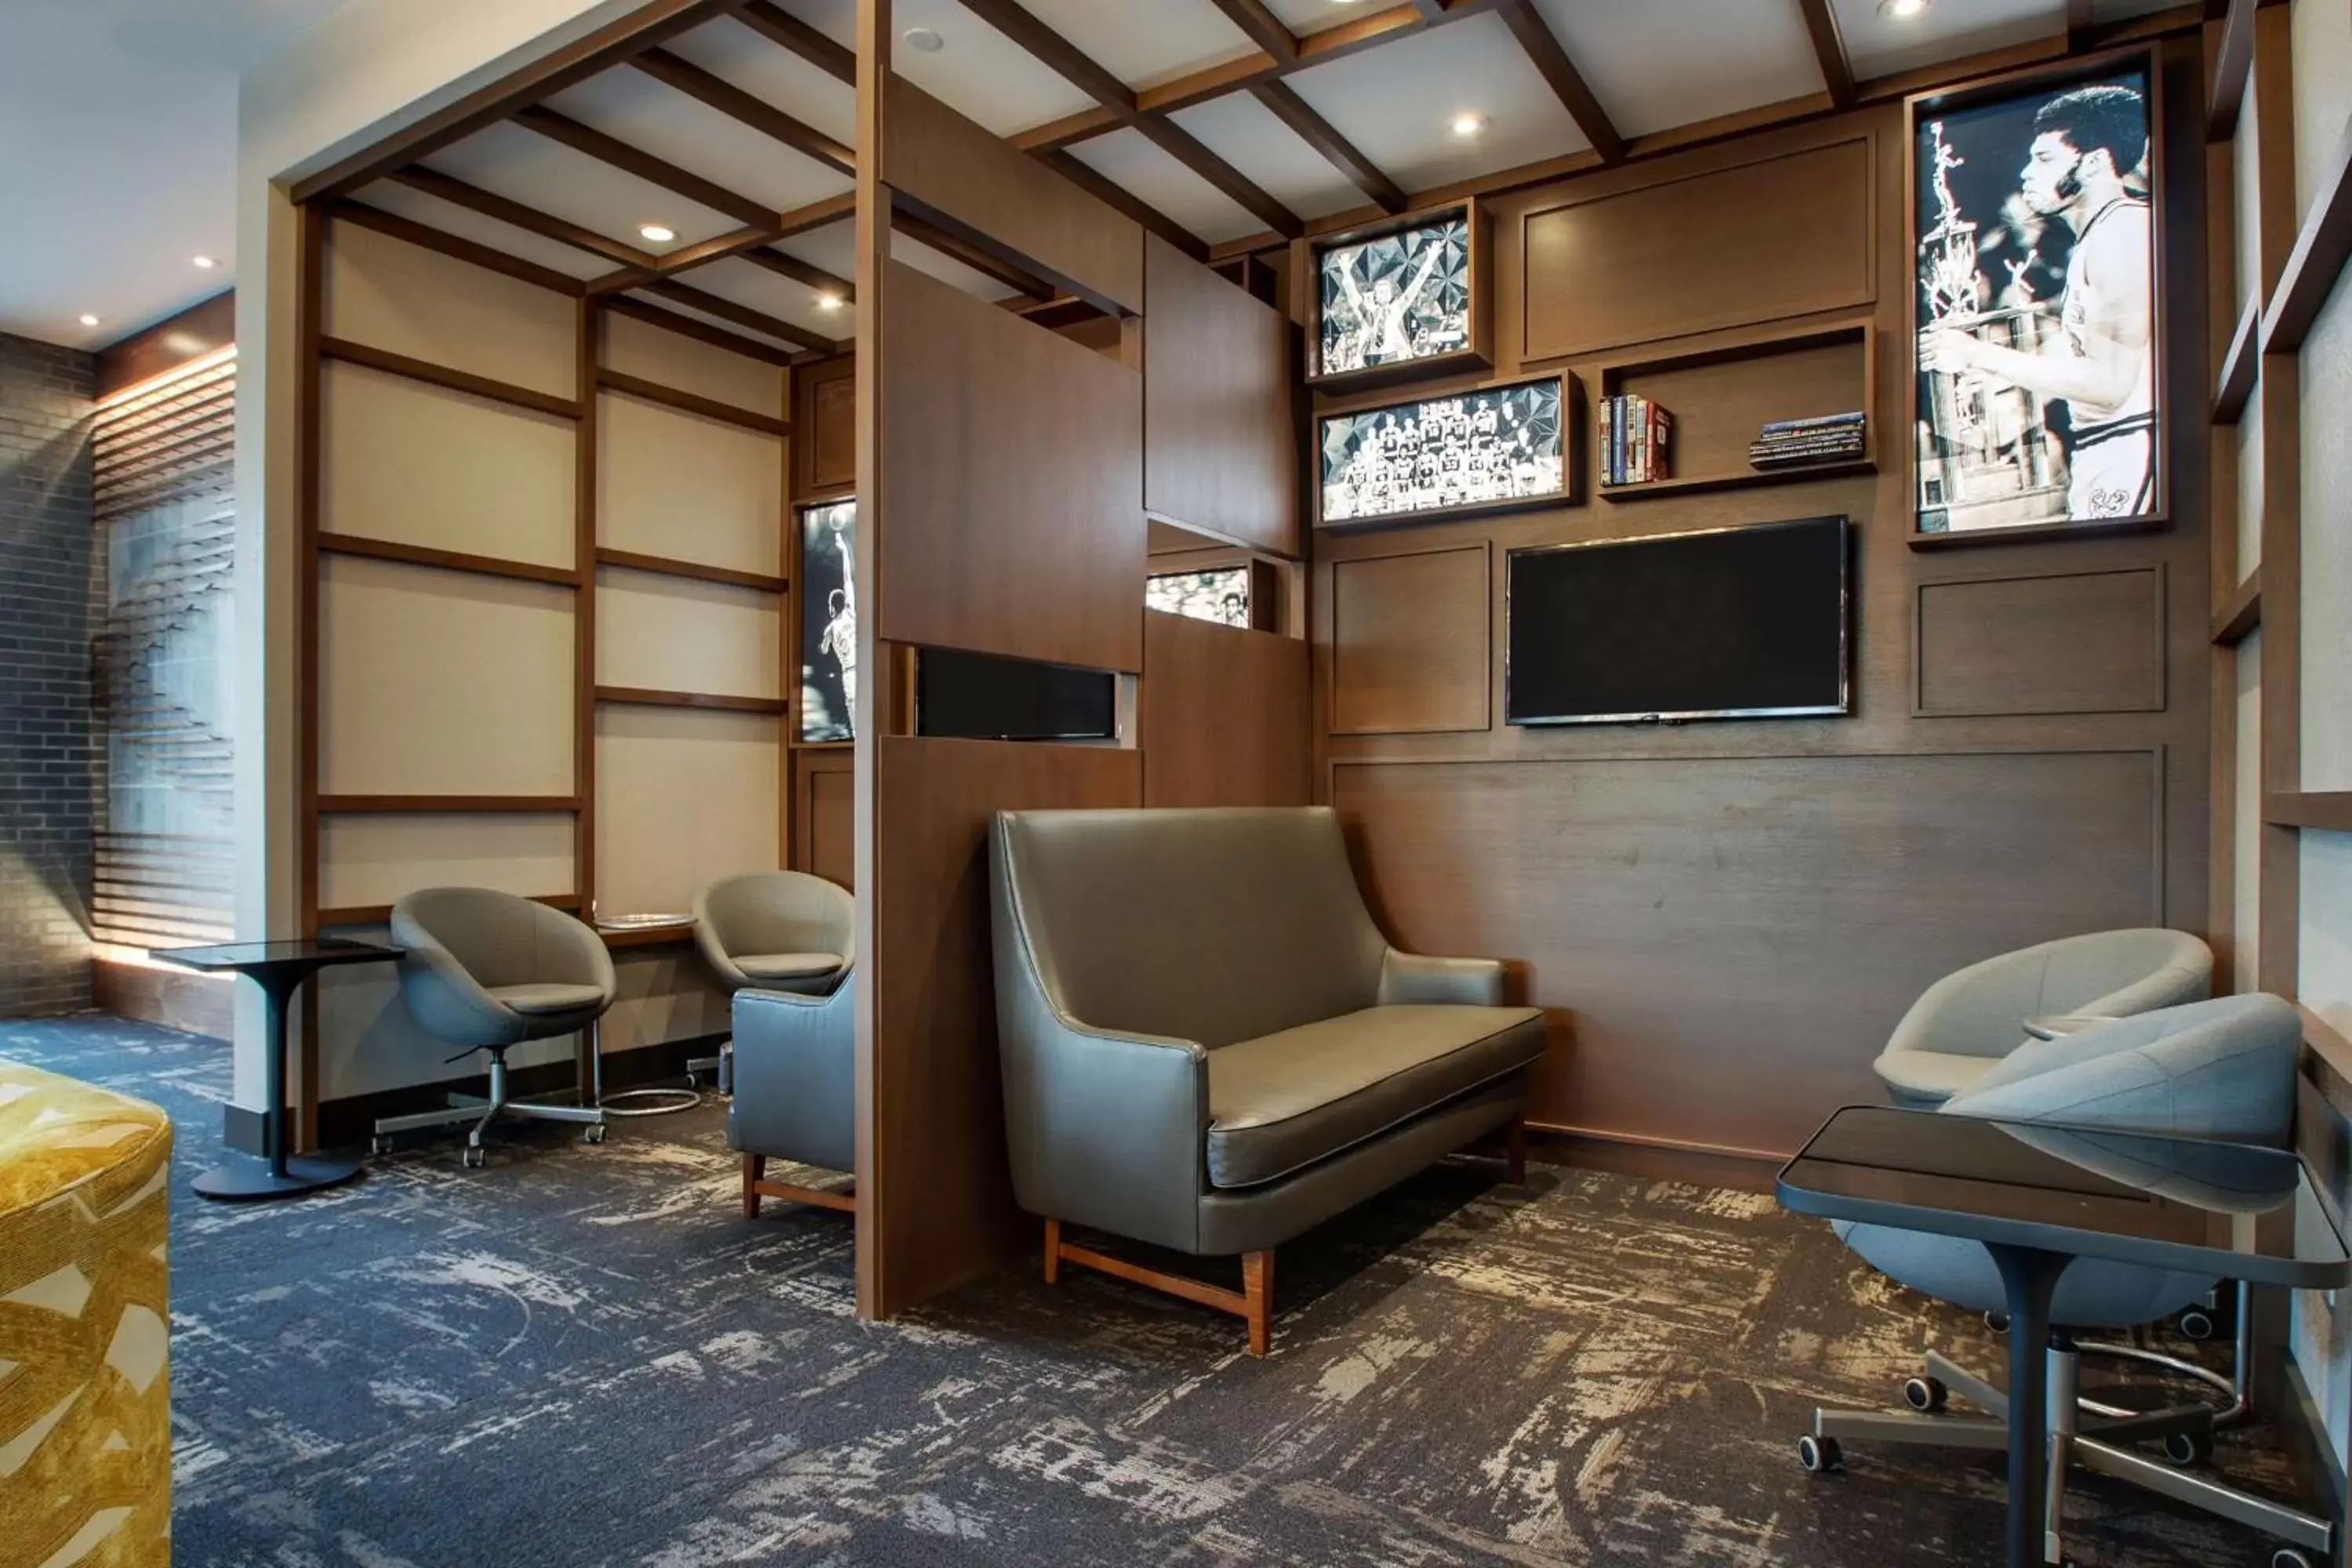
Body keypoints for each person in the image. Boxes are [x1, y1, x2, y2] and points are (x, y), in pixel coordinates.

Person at [1918, 84, 2154, 519]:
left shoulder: (2123, 235)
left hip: (2128, 448)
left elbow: (2111, 385)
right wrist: (1990, 375)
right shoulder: (2100, 235)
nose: (2028, 172)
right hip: (2105, 450)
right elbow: (2082, 352)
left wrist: (1979, 352)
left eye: (2045, 159)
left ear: (2097, 161)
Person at [818, 518, 855, 723]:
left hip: (849, 672)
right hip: (862, 670)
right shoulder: (851, 613)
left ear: (832, 607)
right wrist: (844, 552)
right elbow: (847, 579)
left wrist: (823, 645)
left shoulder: (830, 629)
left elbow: (823, 651)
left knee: (855, 718)